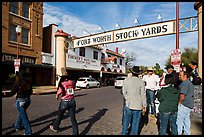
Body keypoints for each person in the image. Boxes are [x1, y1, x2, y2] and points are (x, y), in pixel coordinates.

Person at [49, 68, 79, 135]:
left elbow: (59, 92)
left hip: (64, 102)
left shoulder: (62, 83)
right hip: (72, 101)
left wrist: (57, 95)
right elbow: (73, 88)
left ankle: (55, 127)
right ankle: (75, 133)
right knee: (73, 119)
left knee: (60, 116)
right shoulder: (72, 82)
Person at [4, 69, 33, 135]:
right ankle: (17, 126)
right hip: (28, 101)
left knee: (24, 118)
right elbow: (31, 92)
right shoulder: (29, 82)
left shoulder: (18, 82)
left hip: (20, 102)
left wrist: (5, 94)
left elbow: (11, 93)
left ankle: (28, 133)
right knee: (21, 114)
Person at [121, 66, 146, 135]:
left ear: (132, 73)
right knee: (135, 123)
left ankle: (123, 133)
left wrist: (127, 98)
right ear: (138, 73)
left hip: (128, 104)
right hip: (138, 105)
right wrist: (144, 105)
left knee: (126, 122)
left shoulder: (126, 80)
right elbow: (143, 94)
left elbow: (123, 92)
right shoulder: (141, 82)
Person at [176, 71, 194, 135]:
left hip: (184, 104)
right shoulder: (189, 83)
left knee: (179, 120)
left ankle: (178, 133)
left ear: (185, 76)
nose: (179, 76)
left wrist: (179, 103)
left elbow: (182, 95)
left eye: (180, 75)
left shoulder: (185, 83)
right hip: (189, 105)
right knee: (186, 120)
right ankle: (187, 133)